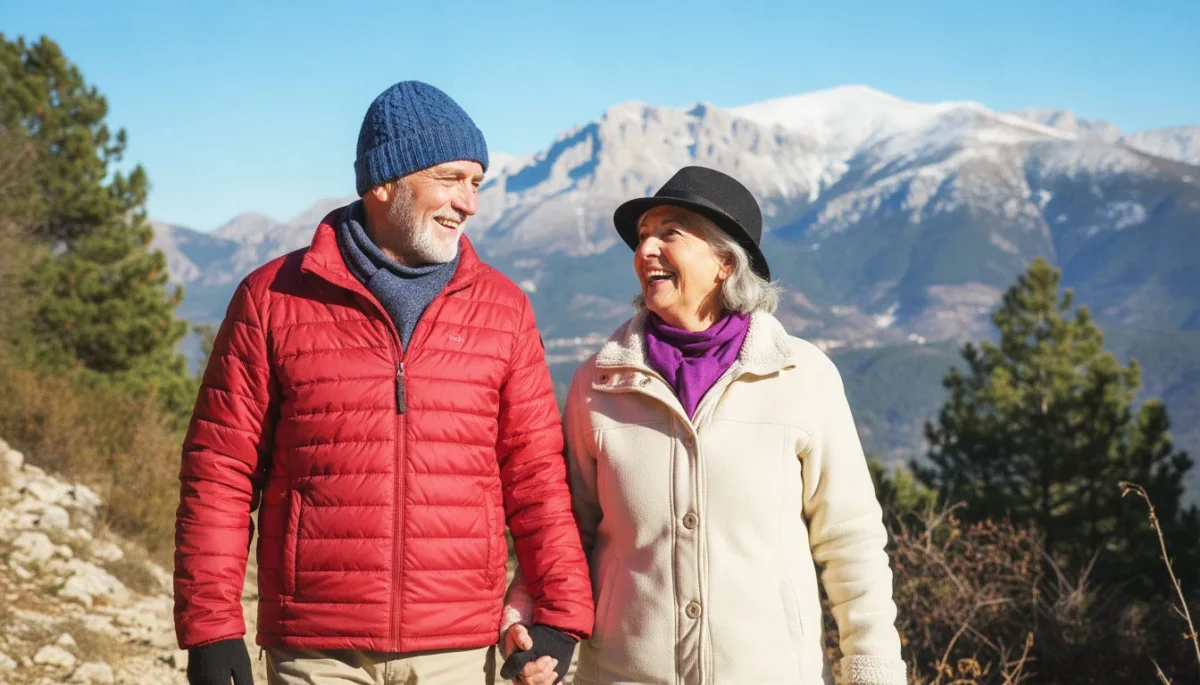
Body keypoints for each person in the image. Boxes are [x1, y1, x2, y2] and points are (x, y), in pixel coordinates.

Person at [174, 80, 592, 685]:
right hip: (315, 650)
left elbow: (537, 478)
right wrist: (211, 629)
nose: (469, 203)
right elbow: (219, 472)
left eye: (476, 183)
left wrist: (561, 611)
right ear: (385, 182)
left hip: (459, 648)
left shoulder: (503, 310)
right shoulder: (272, 298)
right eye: (451, 179)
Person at [501, 166, 907, 684]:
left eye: (668, 233)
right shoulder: (598, 384)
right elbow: (565, 532)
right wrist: (536, 623)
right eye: (643, 236)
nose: (645, 249)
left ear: (724, 262)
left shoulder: (802, 376)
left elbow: (850, 538)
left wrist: (872, 670)